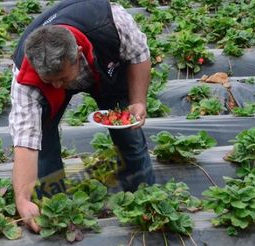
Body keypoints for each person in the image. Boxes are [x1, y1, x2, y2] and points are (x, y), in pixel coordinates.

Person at [8, 0, 155, 232]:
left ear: (77, 53)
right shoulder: (25, 77)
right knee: (44, 147)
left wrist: (138, 101)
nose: (57, 84)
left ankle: (145, 198)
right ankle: (55, 212)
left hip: (104, 68)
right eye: (50, 80)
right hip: (56, 80)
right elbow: (26, 140)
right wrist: (22, 199)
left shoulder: (111, 22)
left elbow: (139, 55)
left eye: (62, 78)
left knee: (129, 136)